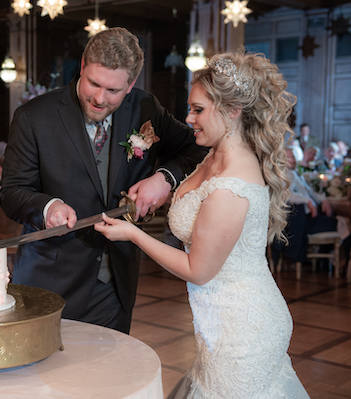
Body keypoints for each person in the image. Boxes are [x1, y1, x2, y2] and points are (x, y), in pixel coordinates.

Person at [94, 51, 310, 398]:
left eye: (198, 109)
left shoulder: (232, 184)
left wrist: (133, 234)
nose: (188, 118)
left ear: (232, 111)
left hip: (243, 331)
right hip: (219, 326)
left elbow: (199, 270)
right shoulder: (213, 153)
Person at [0, 27, 207, 334]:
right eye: (93, 84)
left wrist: (165, 178)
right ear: (82, 66)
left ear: (131, 84)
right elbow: (12, 193)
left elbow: (198, 147)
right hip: (49, 282)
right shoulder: (34, 117)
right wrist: (47, 207)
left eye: (113, 91)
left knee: (108, 379)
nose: (99, 98)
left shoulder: (145, 108)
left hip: (115, 284)